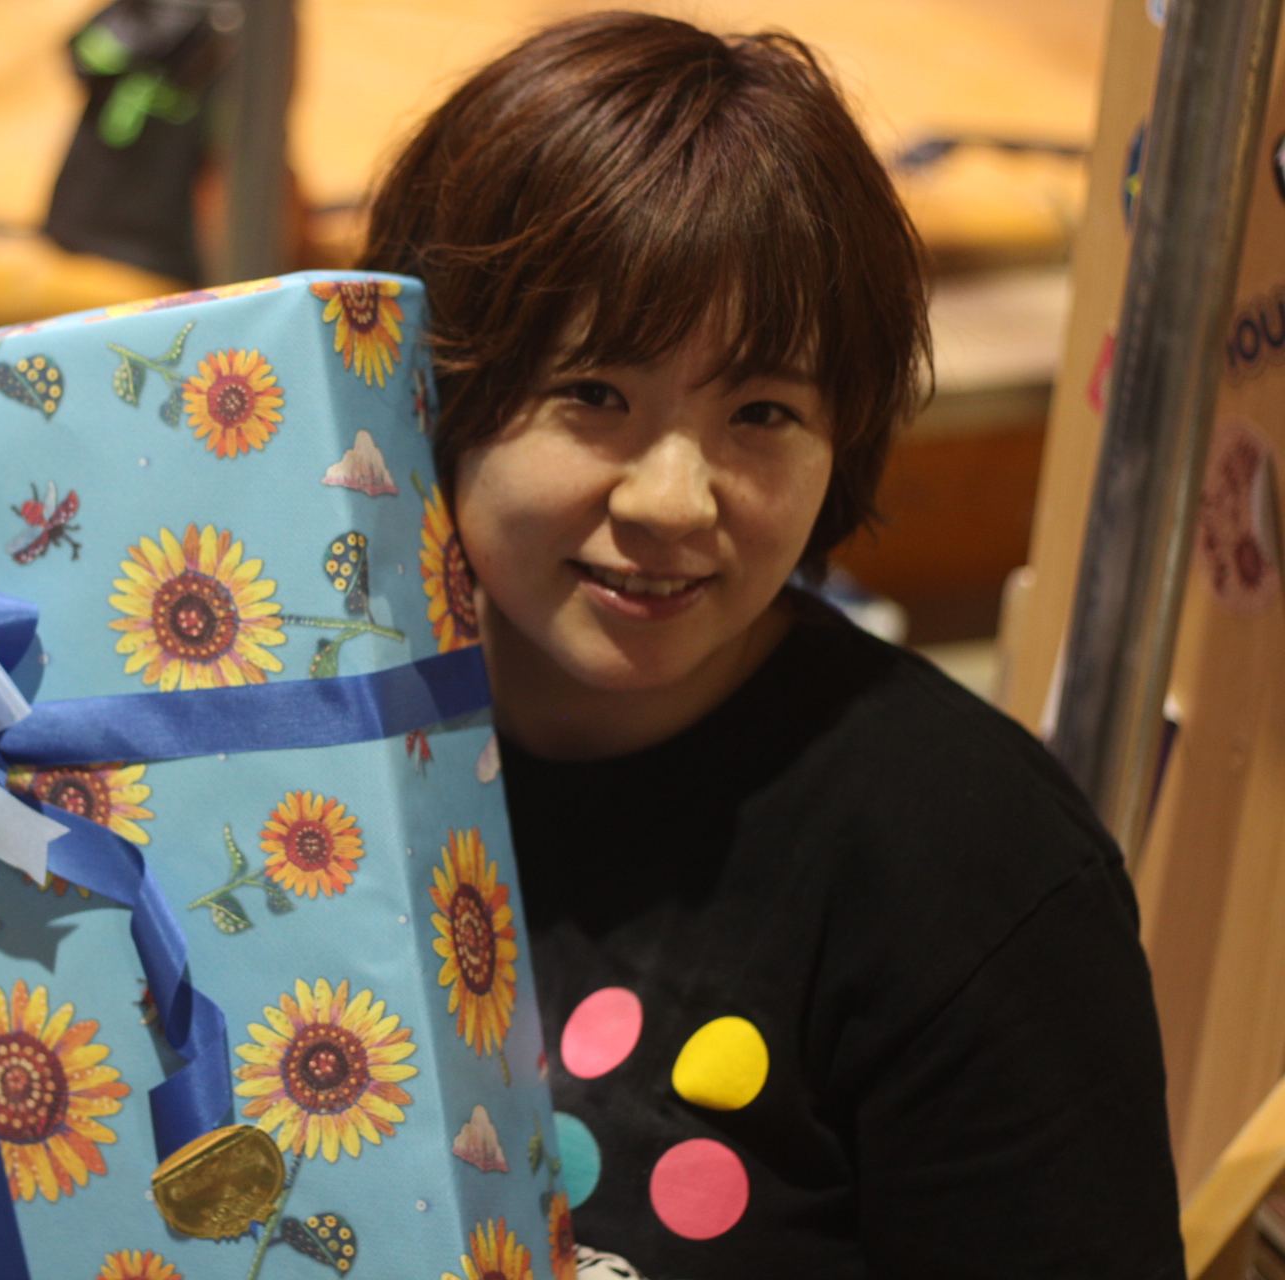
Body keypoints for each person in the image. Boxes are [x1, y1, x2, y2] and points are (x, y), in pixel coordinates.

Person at [360, 13, 1185, 1278]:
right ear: (432, 384)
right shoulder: (301, 736)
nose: (673, 500)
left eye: (762, 410)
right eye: (593, 394)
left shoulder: (970, 858)